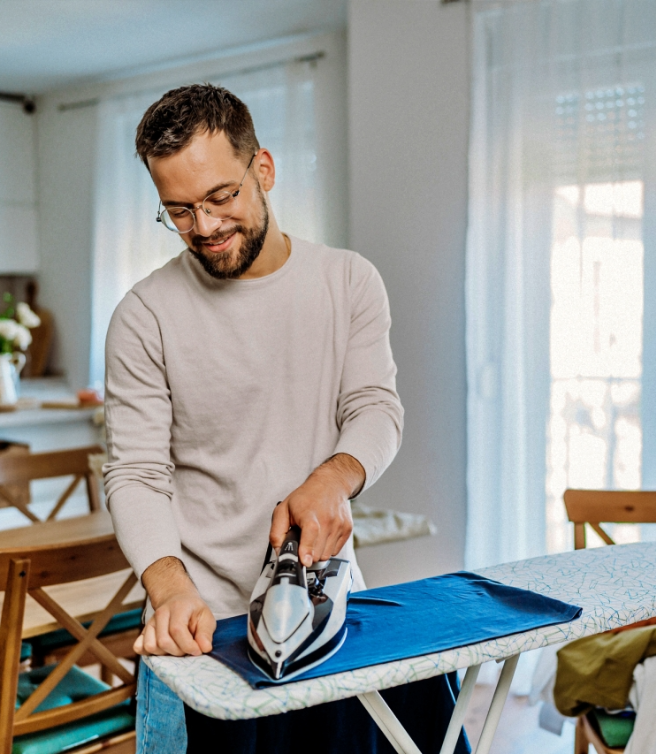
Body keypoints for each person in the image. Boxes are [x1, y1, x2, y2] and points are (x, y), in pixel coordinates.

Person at [104, 85, 461, 753]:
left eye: (220, 198)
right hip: (202, 628)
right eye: (179, 211)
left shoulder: (347, 282)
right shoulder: (143, 316)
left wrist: (333, 478)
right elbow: (135, 473)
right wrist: (169, 587)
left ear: (262, 170)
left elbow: (374, 407)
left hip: (324, 614)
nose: (204, 227)